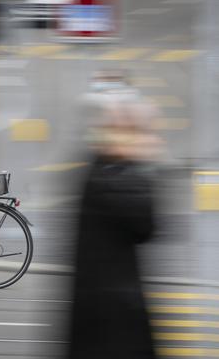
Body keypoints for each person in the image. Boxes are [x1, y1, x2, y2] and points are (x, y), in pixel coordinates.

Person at [68, 99, 163, 359]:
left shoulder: (96, 170)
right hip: (115, 321)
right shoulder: (115, 180)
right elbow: (147, 225)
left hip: (99, 315)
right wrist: (141, 162)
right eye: (143, 132)